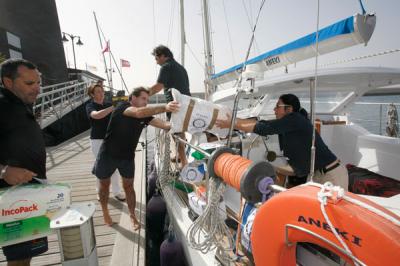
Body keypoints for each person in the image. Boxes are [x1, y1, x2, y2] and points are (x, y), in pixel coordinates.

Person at [216, 93, 349, 189]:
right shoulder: (290, 122)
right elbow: (262, 123)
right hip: (317, 174)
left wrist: (231, 124)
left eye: (278, 106)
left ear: (289, 109)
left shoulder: (295, 119)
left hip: (331, 175)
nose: (274, 110)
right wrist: (234, 120)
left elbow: (264, 128)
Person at [93, 87, 179, 230]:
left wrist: (180, 125)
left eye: (147, 99)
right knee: (104, 186)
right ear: (133, 97)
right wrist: (165, 107)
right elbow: (138, 113)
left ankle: (132, 216)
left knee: (129, 187)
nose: (146, 102)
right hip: (107, 154)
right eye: (143, 99)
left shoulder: (144, 115)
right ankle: (105, 213)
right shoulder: (123, 107)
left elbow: (164, 125)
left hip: (127, 157)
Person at [0, 59, 48, 265]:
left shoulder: (19, 104)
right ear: (8, 82)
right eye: (29, 84)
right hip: (11, 199)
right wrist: (3, 171)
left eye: (37, 83)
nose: (36, 88)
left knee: (26, 252)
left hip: (28, 194)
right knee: (19, 257)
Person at [148, 45, 190, 167]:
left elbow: (158, 87)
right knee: (179, 131)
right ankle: (179, 155)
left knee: (175, 131)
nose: (156, 62)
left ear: (163, 56)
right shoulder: (181, 68)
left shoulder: (166, 67)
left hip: (174, 105)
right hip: (186, 103)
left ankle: (184, 163)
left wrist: (143, 96)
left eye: (156, 58)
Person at [86, 83, 125, 201]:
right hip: (97, 140)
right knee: (101, 166)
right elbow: (96, 116)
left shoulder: (109, 104)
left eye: (102, 91)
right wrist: (113, 107)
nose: (101, 93)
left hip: (111, 139)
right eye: (97, 91)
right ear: (92, 94)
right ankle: (100, 191)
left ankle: (117, 192)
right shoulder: (90, 106)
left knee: (114, 166)